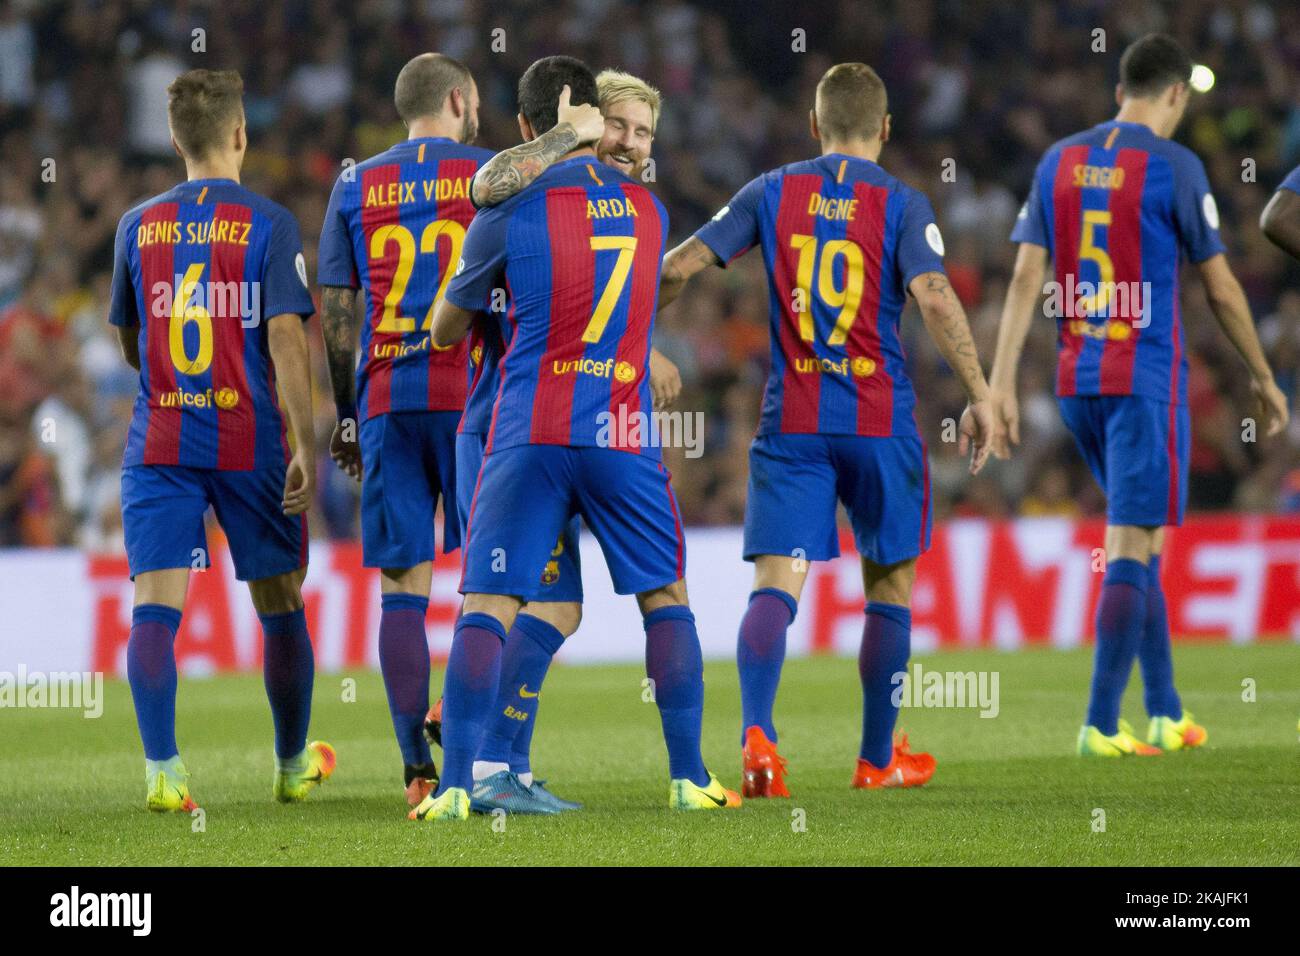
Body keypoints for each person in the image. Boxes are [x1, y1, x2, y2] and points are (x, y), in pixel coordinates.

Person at [657, 62, 996, 796]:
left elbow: (678, 265)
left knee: (776, 584)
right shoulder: (901, 202)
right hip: (878, 421)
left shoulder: (771, 189)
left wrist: (627, 341)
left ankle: (758, 735)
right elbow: (935, 297)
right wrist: (982, 391)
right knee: (890, 586)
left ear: (814, 126)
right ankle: (877, 761)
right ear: (885, 128)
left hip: (795, 422)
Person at [416, 55, 740, 821]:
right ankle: (689, 776)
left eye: (642, 131)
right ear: (589, 121)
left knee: (489, 604)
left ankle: (457, 784)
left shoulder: (507, 209)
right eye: (618, 125)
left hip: (526, 424)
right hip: (619, 429)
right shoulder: (649, 213)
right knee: (666, 599)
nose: (630, 141)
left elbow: (444, 331)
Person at [989, 33, 1289, 756]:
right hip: (1141, 378)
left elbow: (1027, 275)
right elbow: (1219, 286)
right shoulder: (1174, 166)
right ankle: (1098, 721)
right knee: (1132, 540)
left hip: (1075, 380)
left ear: (1121, 88)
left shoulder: (1059, 159)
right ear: (1177, 93)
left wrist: (998, 382)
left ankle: (1165, 709)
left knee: (1143, 535)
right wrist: (1262, 374)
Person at [108, 69, 331, 811]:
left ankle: (164, 773)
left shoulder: (136, 225)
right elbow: (286, 342)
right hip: (249, 439)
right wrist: (304, 440)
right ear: (241, 133)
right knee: (280, 603)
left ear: (174, 140)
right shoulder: (269, 223)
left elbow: (130, 343)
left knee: (154, 609)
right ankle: (294, 763)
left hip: (160, 439)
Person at [317, 53, 503, 807]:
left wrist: (349, 417)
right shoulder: (493, 172)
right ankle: (461, 736)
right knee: (490, 582)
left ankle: (414, 773)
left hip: (389, 398)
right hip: (472, 397)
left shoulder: (356, 182)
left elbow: (337, 311)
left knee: (403, 585)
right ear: (459, 100)